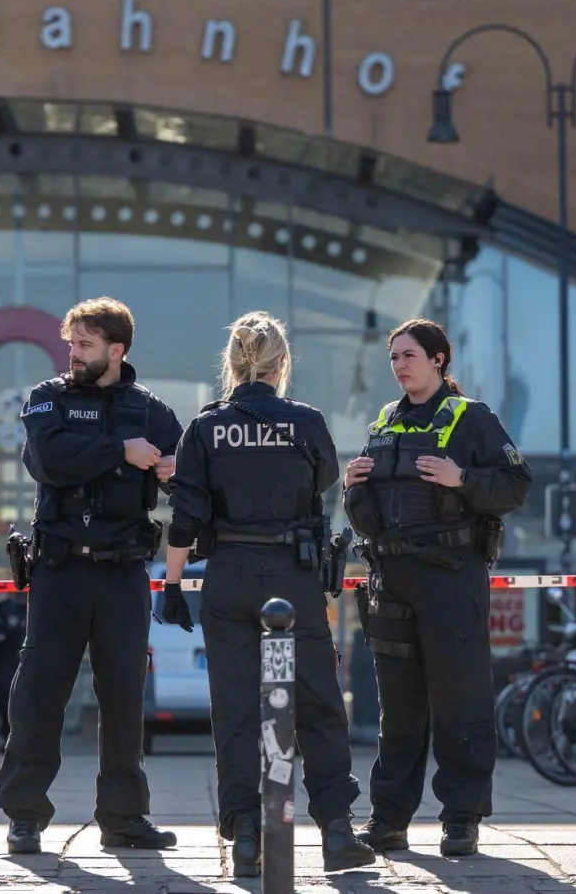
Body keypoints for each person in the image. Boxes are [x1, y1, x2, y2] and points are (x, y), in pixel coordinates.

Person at [159, 311, 376, 877]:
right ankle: (335, 831)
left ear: (231, 365)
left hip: (228, 575)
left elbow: (184, 519)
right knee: (319, 706)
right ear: (282, 364)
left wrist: (173, 585)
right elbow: (323, 485)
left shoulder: (206, 428)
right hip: (293, 576)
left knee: (235, 711)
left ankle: (247, 837)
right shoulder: (306, 423)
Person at [0, 297, 184, 854]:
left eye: (84, 345)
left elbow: (187, 481)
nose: (71, 354)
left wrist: (173, 471)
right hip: (60, 569)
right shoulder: (47, 399)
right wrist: (122, 450)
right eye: (70, 343)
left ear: (117, 350)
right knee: (39, 694)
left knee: (124, 697)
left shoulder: (151, 411)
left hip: (124, 571)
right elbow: (50, 462)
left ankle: (124, 820)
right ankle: (24, 816)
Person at [342, 318, 532, 857]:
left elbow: (517, 485)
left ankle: (461, 818)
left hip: (452, 576)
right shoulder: (383, 422)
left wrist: (462, 480)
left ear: (438, 360)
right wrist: (354, 488)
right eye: (394, 356)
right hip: (392, 580)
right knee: (398, 708)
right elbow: (366, 516)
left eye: (409, 355)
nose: (400, 365)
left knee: (460, 700)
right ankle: (388, 821)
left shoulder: (472, 419)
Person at [0, 591, 28, 753]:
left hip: (29, 664)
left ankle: (26, 741)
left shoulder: (37, 607)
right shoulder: (5, 608)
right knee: (4, 701)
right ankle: (8, 739)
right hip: (6, 663)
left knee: (27, 704)